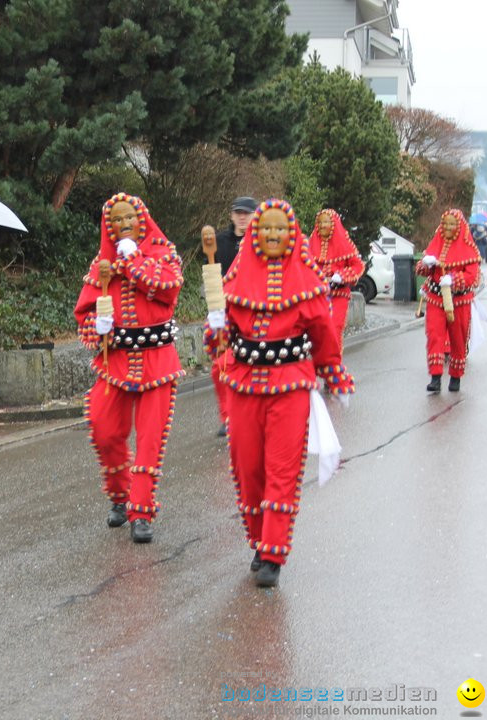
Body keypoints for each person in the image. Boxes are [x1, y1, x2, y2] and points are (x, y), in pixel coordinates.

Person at [207, 198, 355, 587]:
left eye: (279, 229)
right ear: (254, 235)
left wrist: (333, 374)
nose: (272, 234)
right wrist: (216, 324)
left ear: (291, 236)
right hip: (243, 385)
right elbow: (219, 342)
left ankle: (273, 552)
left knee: (282, 469)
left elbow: (323, 334)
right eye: (265, 228)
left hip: (290, 386)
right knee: (247, 466)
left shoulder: (306, 282)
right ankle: (259, 541)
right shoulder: (234, 281)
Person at [74, 192, 184, 543]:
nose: (123, 225)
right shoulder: (101, 265)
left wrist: (133, 261)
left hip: (158, 361)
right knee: (103, 427)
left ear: (141, 220)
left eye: (128, 218)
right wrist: (97, 329)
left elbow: (168, 288)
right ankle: (121, 497)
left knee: (151, 440)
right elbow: (85, 312)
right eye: (116, 221)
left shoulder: (162, 253)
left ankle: (141, 511)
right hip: (115, 362)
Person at [200, 197, 257, 437]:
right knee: (219, 367)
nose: (242, 217)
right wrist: (213, 305)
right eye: (238, 213)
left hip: (253, 313)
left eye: (247, 213)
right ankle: (228, 418)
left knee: (251, 364)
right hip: (223, 312)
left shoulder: (262, 242)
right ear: (232, 216)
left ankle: (251, 413)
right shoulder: (220, 242)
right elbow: (211, 275)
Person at [415, 209, 482, 393]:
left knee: (458, 339)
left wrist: (454, 279)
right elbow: (421, 269)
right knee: (434, 336)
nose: (449, 228)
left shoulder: (468, 247)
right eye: (446, 224)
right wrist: (425, 264)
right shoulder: (436, 241)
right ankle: (435, 377)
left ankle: (455, 375)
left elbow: (472, 275)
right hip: (436, 298)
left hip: (459, 301)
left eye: (453, 224)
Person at [306, 208, 364, 365]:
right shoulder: (313, 242)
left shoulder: (344, 242)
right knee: (318, 332)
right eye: (320, 222)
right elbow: (305, 267)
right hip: (318, 296)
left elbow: (358, 266)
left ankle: (332, 366)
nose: (323, 225)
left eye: (326, 222)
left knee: (334, 328)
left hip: (339, 294)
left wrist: (342, 276)